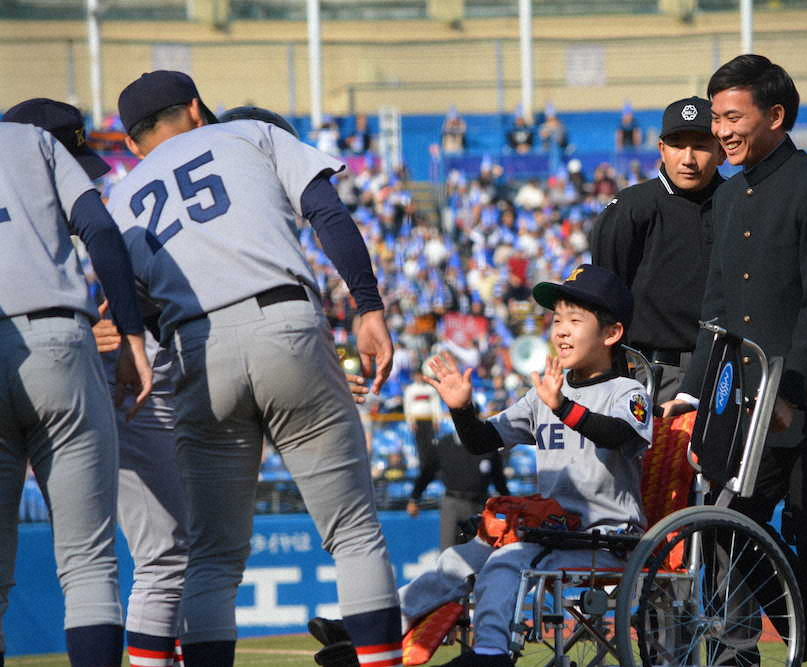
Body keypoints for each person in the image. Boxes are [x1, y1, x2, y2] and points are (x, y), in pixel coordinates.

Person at [106, 70, 402, 667]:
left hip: (195, 349)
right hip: (282, 321)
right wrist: (368, 307)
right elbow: (328, 215)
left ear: (132, 142)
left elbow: (134, 309)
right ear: (195, 109)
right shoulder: (248, 133)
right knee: (352, 533)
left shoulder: (120, 197)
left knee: (213, 557)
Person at [663, 55, 807, 667]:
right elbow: (717, 309)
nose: (721, 131)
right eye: (716, 118)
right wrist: (692, 391)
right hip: (754, 401)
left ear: (777, 115)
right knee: (729, 526)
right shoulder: (731, 196)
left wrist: (792, 393)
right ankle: (781, 646)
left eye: (732, 116)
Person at [3, 96, 190, 667]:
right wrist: (132, 335)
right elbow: (100, 231)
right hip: (57, 341)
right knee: (88, 564)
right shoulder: (35, 145)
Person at [397, 263, 652, 667]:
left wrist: (564, 407)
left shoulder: (627, 390)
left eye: (575, 320)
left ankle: (491, 655)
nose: (561, 330)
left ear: (611, 333)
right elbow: (483, 441)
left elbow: (618, 435)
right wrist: (463, 410)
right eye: (556, 321)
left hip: (605, 538)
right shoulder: (546, 394)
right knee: (455, 560)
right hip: (555, 534)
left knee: (506, 560)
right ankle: (377, 630)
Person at [590, 96, 724, 402]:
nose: (688, 158)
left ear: (721, 151)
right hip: (651, 373)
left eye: (701, 145)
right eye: (677, 145)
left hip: (724, 372)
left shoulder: (739, 205)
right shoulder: (631, 208)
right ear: (662, 149)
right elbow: (606, 300)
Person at [406, 422, 509, 549]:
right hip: (453, 502)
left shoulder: (487, 446)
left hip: (480, 503)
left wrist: (508, 501)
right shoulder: (444, 444)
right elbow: (427, 473)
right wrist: (415, 497)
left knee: (482, 550)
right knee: (449, 550)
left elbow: (498, 478)